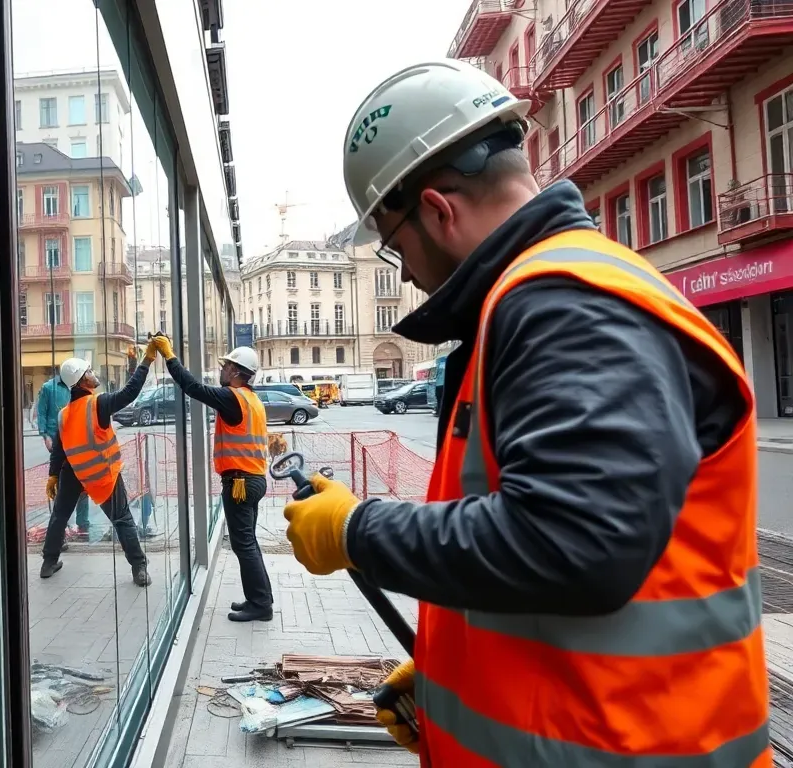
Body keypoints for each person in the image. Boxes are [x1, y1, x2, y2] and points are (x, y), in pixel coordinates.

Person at [283, 58, 765, 764]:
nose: (408, 273)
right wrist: (456, 674)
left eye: (396, 249)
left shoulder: (567, 304)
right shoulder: (535, 300)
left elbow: (574, 545)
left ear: (438, 210)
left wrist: (359, 531)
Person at [154, 336, 273, 622]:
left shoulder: (233, 398)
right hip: (253, 478)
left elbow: (193, 388)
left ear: (234, 371)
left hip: (240, 482)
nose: (221, 370)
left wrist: (169, 357)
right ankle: (259, 599)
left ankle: (261, 605)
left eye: (225, 366)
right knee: (248, 542)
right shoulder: (251, 399)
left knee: (243, 544)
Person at [42, 352, 155, 587]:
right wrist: (146, 361)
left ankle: (49, 562)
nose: (94, 375)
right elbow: (130, 392)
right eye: (90, 371)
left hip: (74, 472)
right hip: (102, 473)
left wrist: (54, 475)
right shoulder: (98, 404)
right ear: (83, 381)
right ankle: (139, 567)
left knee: (60, 515)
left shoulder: (64, 415)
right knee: (122, 519)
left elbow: (59, 450)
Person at [35, 368, 92, 538]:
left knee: (83, 483)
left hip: (78, 440)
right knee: (61, 483)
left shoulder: (78, 387)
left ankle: (83, 524)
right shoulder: (48, 388)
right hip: (58, 442)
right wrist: (45, 435)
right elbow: (42, 412)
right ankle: (63, 525)